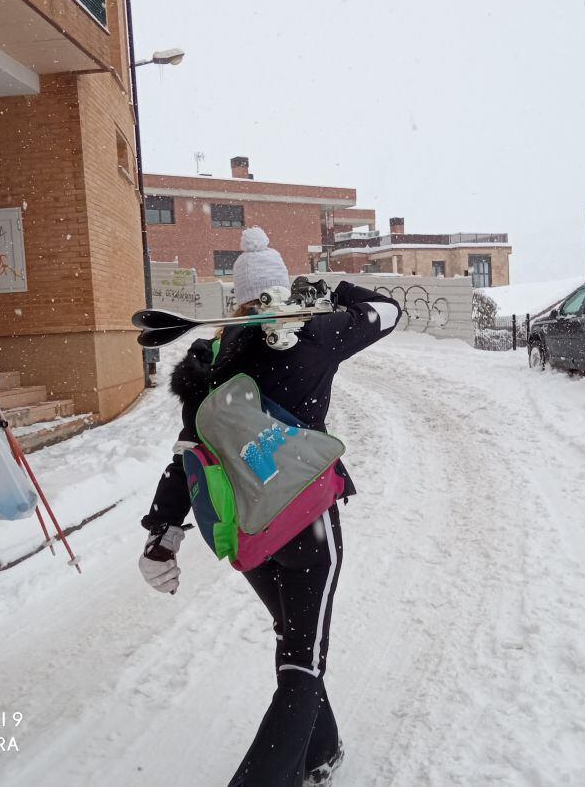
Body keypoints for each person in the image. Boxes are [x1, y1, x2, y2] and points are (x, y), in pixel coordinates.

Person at [138, 226, 401, 786]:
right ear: (282, 289)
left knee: (292, 638)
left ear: (238, 299)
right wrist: (332, 289)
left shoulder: (214, 358)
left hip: (253, 534)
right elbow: (388, 309)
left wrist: (164, 528)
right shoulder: (318, 335)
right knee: (301, 663)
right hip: (308, 525)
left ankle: (321, 753)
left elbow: (192, 451)